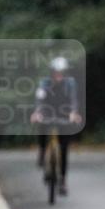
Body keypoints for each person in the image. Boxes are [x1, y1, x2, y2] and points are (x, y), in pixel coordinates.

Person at [30, 57, 82, 195]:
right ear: (51, 72)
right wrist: (37, 113)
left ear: (65, 73)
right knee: (41, 126)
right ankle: (42, 151)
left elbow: (73, 100)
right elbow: (39, 99)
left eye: (61, 73)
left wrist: (73, 113)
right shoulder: (44, 83)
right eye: (56, 72)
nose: (58, 75)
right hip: (47, 113)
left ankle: (63, 180)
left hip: (64, 115)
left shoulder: (70, 84)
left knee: (64, 148)